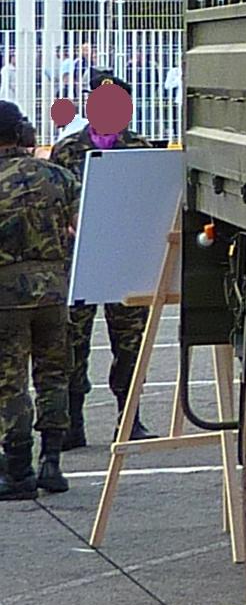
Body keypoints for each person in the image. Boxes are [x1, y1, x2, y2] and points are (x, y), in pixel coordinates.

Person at [54, 72, 144, 441]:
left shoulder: (139, 148)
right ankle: (74, 421)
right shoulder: (67, 149)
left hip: (123, 260)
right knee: (73, 341)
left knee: (130, 342)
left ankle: (129, 419)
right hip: (80, 259)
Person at [0, 101, 78, 500]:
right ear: (23, 134)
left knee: (10, 382)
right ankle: (52, 461)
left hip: (6, 294)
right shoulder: (58, 175)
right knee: (52, 374)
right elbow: (81, 223)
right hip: (53, 288)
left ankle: (17, 469)